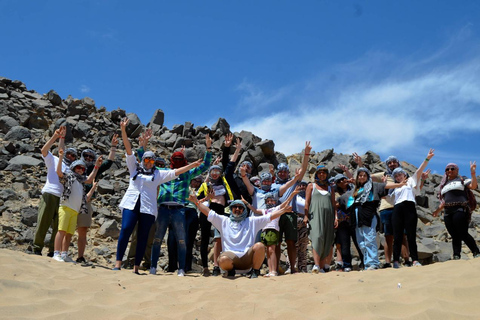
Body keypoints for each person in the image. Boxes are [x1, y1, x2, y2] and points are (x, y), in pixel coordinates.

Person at [113, 118, 202, 274]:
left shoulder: (158, 174)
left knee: (143, 236)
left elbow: (176, 172)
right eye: (146, 159)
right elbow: (128, 149)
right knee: (126, 229)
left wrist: (192, 166)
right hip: (131, 203)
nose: (148, 162)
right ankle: (118, 264)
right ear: (143, 160)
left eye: (151, 160)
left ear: (154, 162)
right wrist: (123, 131)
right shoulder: (134, 168)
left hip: (148, 207)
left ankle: (136, 268)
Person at [149, 134, 212, 276]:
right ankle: (153, 267)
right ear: (171, 160)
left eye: (180, 159)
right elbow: (145, 164)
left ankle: (181, 269)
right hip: (163, 208)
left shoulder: (187, 173)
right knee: (158, 238)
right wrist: (143, 146)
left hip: (179, 210)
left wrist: (208, 148)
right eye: (175, 159)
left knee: (182, 240)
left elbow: (206, 165)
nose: (177, 161)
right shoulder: (163, 172)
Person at [189, 195, 292, 279]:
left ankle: (255, 271)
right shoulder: (224, 221)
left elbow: (270, 216)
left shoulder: (251, 221)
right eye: (235, 207)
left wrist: (283, 211)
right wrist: (196, 202)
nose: (237, 209)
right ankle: (231, 271)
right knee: (223, 259)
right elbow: (208, 212)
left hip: (247, 259)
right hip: (231, 259)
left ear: (244, 210)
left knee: (260, 246)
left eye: (240, 207)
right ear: (231, 209)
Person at [338, 167, 404, 270]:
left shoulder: (374, 186)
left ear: (368, 177)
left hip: (368, 215)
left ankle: (373, 263)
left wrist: (399, 184)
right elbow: (341, 201)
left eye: (364, 175)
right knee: (361, 242)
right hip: (356, 218)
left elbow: (386, 186)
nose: (362, 177)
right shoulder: (355, 190)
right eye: (360, 175)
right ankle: (367, 263)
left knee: (369, 239)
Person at [53, 149, 103, 262]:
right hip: (65, 207)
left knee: (69, 233)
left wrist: (96, 166)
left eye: (82, 169)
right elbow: (59, 172)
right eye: (78, 168)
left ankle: (64, 254)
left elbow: (90, 179)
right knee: (61, 230)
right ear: (73, 168)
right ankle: (56, 253)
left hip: (75, 210)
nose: (80, 170)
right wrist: (61, 158)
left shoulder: (81, 181)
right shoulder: (69, 176)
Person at [76, 134, 118, 264]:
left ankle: (80, 256)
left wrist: (113, 147)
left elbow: (109, 162)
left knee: (82, 229)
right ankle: (58, 253)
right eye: (86, 156)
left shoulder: (95, 169)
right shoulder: (74, 166)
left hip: (86, 202)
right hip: (71, 200)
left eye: (91, 157)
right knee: (65, 229)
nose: (88, 158)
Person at [31, 126, 71, 256]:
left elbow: (61, 149)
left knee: (57, 227)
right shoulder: (51, 159)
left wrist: (63, 138)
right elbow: (43, 149)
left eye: (71, 155)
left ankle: (53, 250)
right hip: (49, 193)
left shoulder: (67, 166)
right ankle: (37, 248)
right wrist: (56, 136)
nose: (67, 155)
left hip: (61, 198)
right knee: (43, 221)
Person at [244, 188, 300, 277]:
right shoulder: (264, 211)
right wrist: (246, 203)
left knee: (271, 250)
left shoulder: (276, 208)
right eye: (268, 201)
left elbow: (286, 203)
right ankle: (271, 270)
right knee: (268, 251)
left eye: (272, 201)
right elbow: (254, 210)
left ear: (275, 201)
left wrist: (292, 194)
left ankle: (274, 270)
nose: (270, 202)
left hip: (273, 230)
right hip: (264, 231)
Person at [433, 161, 480, 259]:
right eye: (447, 169)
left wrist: (473, 174)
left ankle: (476, 251)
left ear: (457, 170)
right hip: (447, 211)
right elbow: (444, 201)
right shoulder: (444, 184)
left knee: (462, 232)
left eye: (452, 168)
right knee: (454, 234)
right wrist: (437, 211)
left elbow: (473, 186)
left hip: (460, 208)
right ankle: (456, 255)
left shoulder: (462, 179)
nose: (449, 170)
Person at [197, 165, 234, 276]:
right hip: (208, 211)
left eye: (217, 171)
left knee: (223, 238)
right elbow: (197, 200)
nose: (215, 173)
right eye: (212, 171)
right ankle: (205, 267)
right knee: (205, 237)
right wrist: (207, 198)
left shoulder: (224, 184)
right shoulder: (204, 185)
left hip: (222, 211)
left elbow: (229, 198)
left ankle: (223, 265)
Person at [304, 165, 336, 273]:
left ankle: (321, 267)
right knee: (317, 237)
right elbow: (307, 202)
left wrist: (335, 217)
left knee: (327, 239)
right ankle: (316, 265)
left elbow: (333, 204)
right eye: (319, 173)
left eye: (324, 172)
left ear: (326, 174)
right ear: (316, 174)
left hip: (329, 216)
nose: (321, 174)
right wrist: (305, 215)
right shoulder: (311, 186)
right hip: (315, 215)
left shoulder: (330, 188)